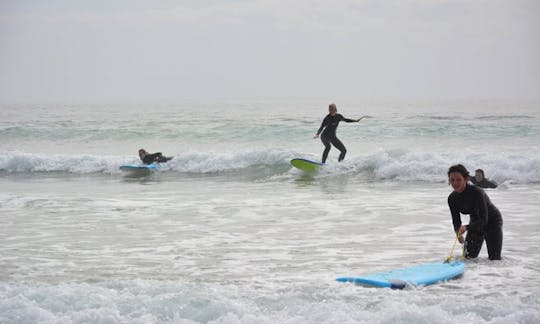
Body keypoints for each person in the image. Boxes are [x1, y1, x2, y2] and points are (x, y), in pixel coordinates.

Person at [447, 164, 503, 260]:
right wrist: (458, 232)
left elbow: (484, 219)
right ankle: (474, 275)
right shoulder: (452, 198)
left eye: (458, 179)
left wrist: (466, 227)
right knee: (468, 258)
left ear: (466, 179)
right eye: (452, 180)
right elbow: (456, 220)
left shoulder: (477, 192)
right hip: (475, 223)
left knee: (494, 260)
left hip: (492, 221)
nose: (455, 183)